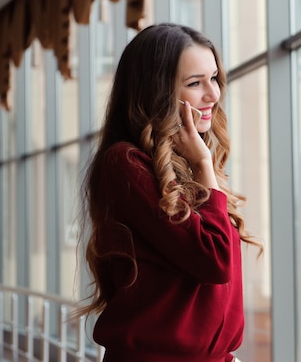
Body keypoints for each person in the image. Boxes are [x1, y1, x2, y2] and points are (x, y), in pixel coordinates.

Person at [77, 23, 262, 362]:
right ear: (157, 93)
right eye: (195, 83)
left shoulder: (184, 166)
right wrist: (205, 164)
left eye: (214, 78)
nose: (214, 94)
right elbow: (215, 261)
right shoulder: (127, 164)